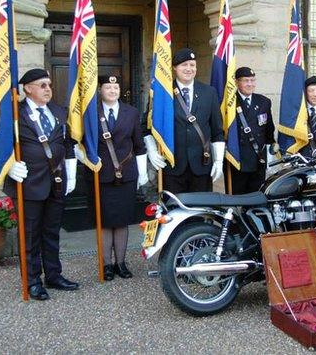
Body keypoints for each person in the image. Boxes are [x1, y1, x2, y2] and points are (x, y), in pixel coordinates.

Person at [4, 68, 79, 301]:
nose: (48, 89)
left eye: (49, 85)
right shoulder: (14, 114)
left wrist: (71, 172)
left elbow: (68, 143)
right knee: (30, 236)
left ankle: (54, 275)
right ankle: (33, 280)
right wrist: (8, 167)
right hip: (28, 184)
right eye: (42, 85)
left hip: (56, 182)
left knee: (51, 232)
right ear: (27, 88)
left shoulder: (58, 111)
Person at [90, 76, 148, 280]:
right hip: (102, 174)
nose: (113, 90)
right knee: (105, 221)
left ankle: (121, 263)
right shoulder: (91, 112)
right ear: (100, 90)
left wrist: (142, 172)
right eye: (108, 87)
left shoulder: (130, 112)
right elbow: (82, 142)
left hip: (127, 174)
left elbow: (139, 144)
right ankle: (106, 264)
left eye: (116, 86)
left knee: (122, 220)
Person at [144, 47, 225, 193]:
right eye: (184, 65)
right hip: (172, 165)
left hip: (202, 164)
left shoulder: (209, 92)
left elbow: (217, 130)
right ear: (175, 67)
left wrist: (219, 160)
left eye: (192, 65)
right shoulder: (163, 92)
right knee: (174, 211)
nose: (189, 69)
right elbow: (146, 125)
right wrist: (151, 150)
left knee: (201, 212)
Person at [228, 66, 278, 194]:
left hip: (258, 160)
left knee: (257, 196)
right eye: (246, 80)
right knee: (238, 199)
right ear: (237, 82)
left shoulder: (263, 102)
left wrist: (270, 155)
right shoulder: (229, 103)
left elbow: (269, 131)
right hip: (238, 160)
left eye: (252, 80)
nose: (250, 84)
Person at [299, 75, 316, 158]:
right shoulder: (300, 111)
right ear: (305, 92)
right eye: (311, 91)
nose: (315, 94)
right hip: (304, 157)